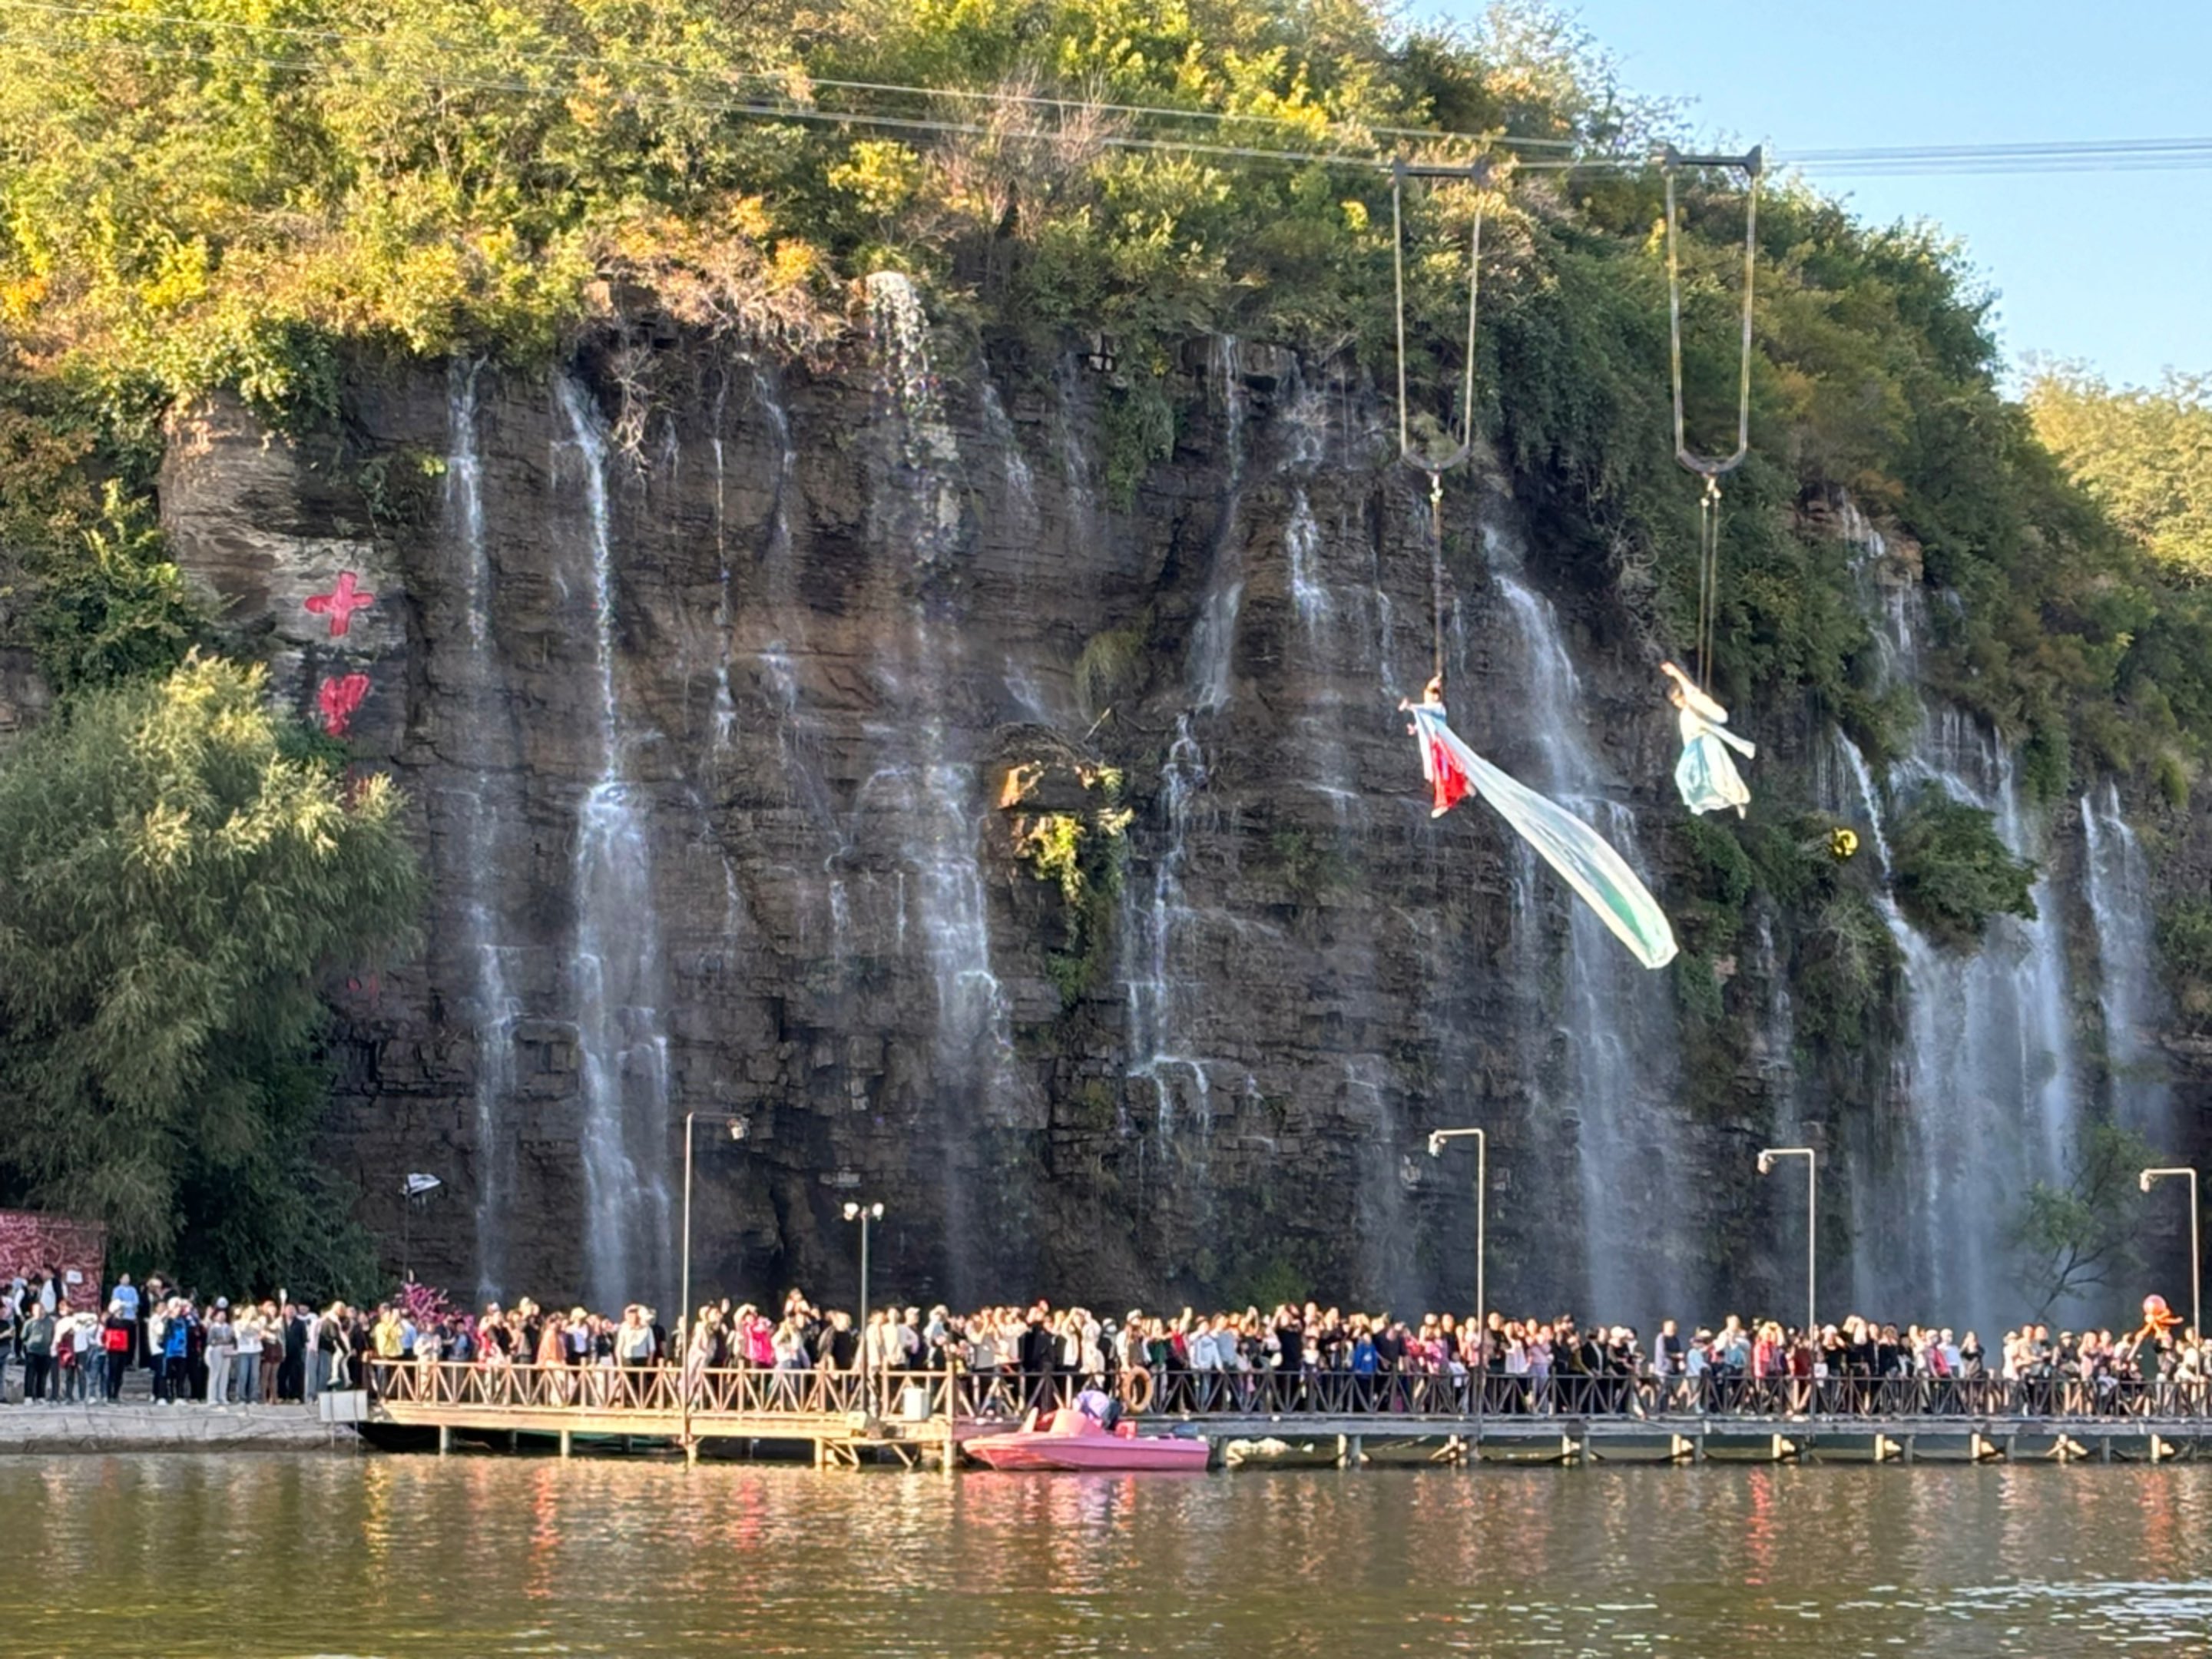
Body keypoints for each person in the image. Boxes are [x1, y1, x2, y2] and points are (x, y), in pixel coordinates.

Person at [1660, 661, 1754, 816]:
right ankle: (1698, 801)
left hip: (1707, 743)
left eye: (1679, 699)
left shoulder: (1695, 704)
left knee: (1721, 775)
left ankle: (1739, 800)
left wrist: (1676, 672)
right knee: (1683, 776)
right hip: (1692, 748)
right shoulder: (1685, 713)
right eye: (1676, 702)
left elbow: (1690, 689)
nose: (1679, 704)